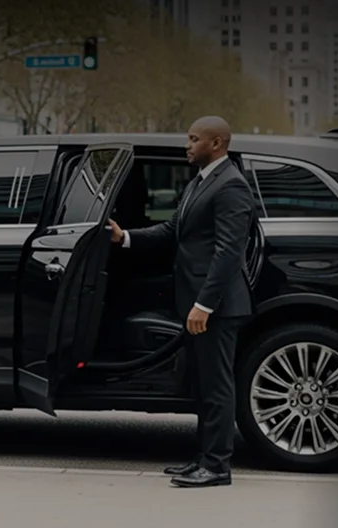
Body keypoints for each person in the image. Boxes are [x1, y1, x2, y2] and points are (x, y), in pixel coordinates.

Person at [105, 116, 258, 488]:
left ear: (217, 143)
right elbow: (173, 229)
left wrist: (204, 305)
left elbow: (227, 253)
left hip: (217, 308)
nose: (187, 146)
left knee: (218, 386)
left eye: (193, 139)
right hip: (199, 301)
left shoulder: (231, 186)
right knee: (202, 385)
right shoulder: (202, 181)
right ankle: (204, 459)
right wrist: (125, 237)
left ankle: (218, 467)